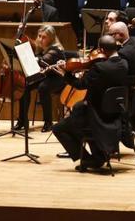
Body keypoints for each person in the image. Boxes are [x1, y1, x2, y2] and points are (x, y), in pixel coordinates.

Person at [51, 35, 129, 170]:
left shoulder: (99, 68)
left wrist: (66, 74)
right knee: (77, 109)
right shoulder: (124, 64)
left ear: (101, 49)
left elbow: (80, 85)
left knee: (59, 128)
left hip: (96, 115)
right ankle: (98, 154)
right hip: (115, 114)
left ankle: (90, 160)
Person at [15, 25, 65, 133]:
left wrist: (30, 58)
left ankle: (48, 122)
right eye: (39, 36)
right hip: (46, 75)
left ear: (51, 38)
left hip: (58, 78)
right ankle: (22, 120)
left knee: (43, 88)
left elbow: (43, 60)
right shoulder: (41, 46)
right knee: (25, 85)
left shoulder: (55, 50)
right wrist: (20, 31)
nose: (41, 39)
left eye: (44, 37)